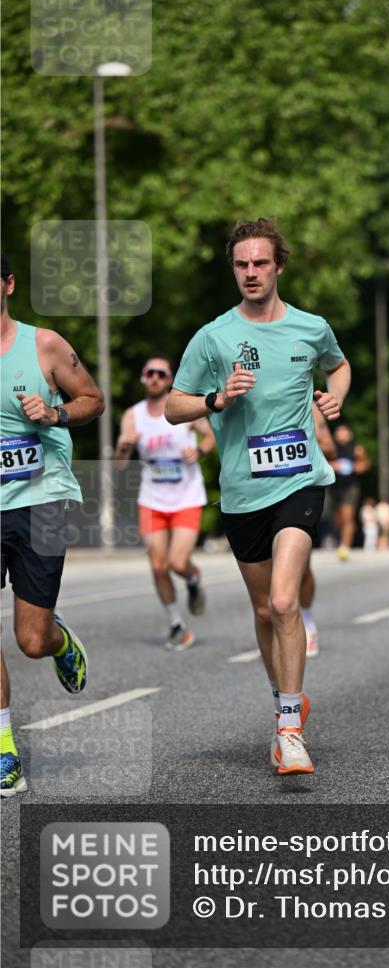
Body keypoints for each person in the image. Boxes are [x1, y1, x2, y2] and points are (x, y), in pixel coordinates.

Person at [166, 218, 350, 775]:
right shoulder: (213, 336)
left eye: (260, 263)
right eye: (242, 264)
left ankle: (290, 730)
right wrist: (216, 400)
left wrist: (333, 399)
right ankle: (283, 706)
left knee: (284, 602)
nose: (250, 272)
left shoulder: (310, 327)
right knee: (262, 610)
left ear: (279, 266)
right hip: (243, 491)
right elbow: (175, 405)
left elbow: (339, 367)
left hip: (299, 479)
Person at [0, 253, 104, 797]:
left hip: (42, 500)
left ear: (8, 285)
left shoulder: (43, 346)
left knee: (30, 641)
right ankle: (3, 749)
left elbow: (94, 399)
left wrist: (56, 414)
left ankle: (59, 640)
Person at [114, 354, 216, 650]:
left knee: (177, 562)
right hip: (152, 499)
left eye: (161, 373)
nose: (155, 378)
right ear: (144, 378)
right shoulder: (133, 415)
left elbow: (210, 439)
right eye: (150, 373)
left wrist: (199, 452)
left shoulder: (185, 408)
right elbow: (120, 465)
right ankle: (177, 624)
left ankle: (193, 578)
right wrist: (124, 447)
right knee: (158, 566)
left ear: (170, 379)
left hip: (186, 497)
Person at [299, 402, 336, 658]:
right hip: (259, 490)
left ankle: (306, 619)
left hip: (298, 489)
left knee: (300, 564)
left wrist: (301, 441)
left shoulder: (309, 406)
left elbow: (330, 447)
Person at [330, 422, 370, 560]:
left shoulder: (357, 450)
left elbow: (365, 465)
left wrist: (352, 467)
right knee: (338, 518)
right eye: (339, 432)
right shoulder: (330, 450)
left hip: (350, 486)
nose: (341, 435)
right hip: (334, 487)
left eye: (344, 432)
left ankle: (345, 546)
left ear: (350, 435)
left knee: (348, 516)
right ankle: (337, 538)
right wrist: (333, 466)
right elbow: (320, 463)